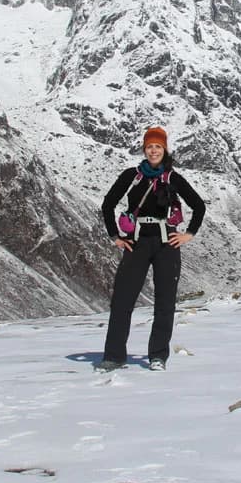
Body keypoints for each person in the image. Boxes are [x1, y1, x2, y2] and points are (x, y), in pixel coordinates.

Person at [97, 126, 205, 371]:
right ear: (144, 150)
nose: (153, 151)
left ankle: (158, 356)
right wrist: (115, 236)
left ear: (164, 149)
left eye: (158, 146)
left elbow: (199, 205)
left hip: (167, 242)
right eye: (149, 147)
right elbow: (108, 203)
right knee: (122, 300)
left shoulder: (173, 178)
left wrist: (189, 234)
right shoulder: (131, 176)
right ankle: (114, 356)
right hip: (136, 242)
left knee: (165, 301)